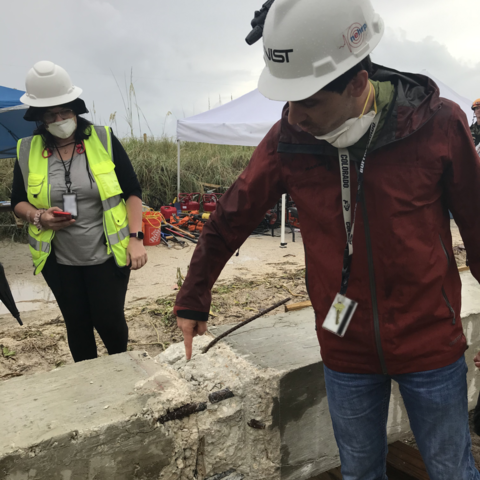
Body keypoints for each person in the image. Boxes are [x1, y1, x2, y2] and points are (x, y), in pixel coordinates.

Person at [174, 0, 480, 478]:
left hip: (430, 343)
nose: (295, 116)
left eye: (310, 101)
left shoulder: (437, 124)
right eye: (289, 101)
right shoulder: (288, 140)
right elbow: (231, 216)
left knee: (451, 470)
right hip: (345, 346)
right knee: (359, 472)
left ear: (357, 83)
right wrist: (193, 297)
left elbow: (478, 223)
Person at [11, 61, 148, 362]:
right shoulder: (26, 150)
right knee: (77, 325)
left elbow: (132, 192)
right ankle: (88, 381)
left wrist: (136, 238)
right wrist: (39, 216)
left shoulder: (103, 139)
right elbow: (18, 201)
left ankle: (120, 371)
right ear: (40, 118)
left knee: (109, 321)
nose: (59, 119)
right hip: (59, 261)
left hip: (107, 255)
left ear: (76, 110)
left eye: (65, 112)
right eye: (51, 115)